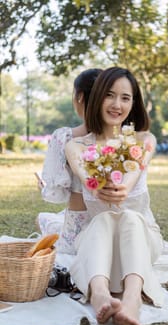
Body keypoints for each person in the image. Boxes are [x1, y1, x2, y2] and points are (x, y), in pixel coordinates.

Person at [65, 66, 164, 325]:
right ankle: (99, 294)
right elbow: (85, 174)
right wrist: (94, 186)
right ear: (97, 97)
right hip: (98, 246)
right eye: (110, 95)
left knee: (129, 216)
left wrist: (123, 186)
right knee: (104, 218)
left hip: (141, 240)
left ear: (134, 103)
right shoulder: (77, 146)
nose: (117, 104)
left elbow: (133, 171)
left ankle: (132, 299)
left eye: (125, 97)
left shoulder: (143, 140)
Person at [37, 68, 103, 253]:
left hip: (76, 231)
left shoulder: (65, 137)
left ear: (80, 96)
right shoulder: (119, 140)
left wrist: (43, 187)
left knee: (42, 218)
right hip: (110, 227)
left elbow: (57, 194)